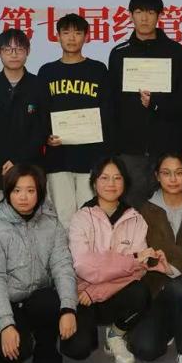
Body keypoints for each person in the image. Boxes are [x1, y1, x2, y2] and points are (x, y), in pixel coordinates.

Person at [0, 163, 79, 363]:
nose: (23, 197)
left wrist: (68, 308)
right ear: (8, 192)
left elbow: (63, 266)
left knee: (50, 299)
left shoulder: (51, 223)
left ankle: (46, 351)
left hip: (37, 297)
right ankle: (5, 342)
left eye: (30, 190)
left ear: (40, 192)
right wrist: (6, 324)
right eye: (17, 190)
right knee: (17, 353)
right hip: (7, 301)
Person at [62, 156, 160, 363]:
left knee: (141, 293)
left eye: (117, 178)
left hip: (103, 294)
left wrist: (97, 290)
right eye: (104, 178)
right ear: (94, 182)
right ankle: (88, 332)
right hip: (83, 296)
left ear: (125, 183)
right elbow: (83, 266)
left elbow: (140, 269)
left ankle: (115, 334)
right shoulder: (81, 218)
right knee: (78, 349)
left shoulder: (136, 219)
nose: (111, 184)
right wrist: (131, 259)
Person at [128, 151, 182, 363]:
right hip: (156, 287)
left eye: (179, 173)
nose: (173, 179)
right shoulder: (145, 209)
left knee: (177, 285)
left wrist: (172, 269)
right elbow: (152, 245)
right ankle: (170, 327)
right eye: (166, 173)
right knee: (145, 349)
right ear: (157, 176)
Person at [107, 0, 182, 203]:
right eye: (139, 12)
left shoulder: (176, 53)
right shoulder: (119, 53)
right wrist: (114, 147)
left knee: (167, 210)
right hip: (129, 151)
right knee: (130, 211)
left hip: (167, 149)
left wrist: (156, 103)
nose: (144, 18)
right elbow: (112, 104)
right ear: (130, 15)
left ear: (159, 15)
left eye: (150, 12)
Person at [40, 13, 114, 225]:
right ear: (57, 36)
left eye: (78, 33)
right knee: (62, 217)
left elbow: (107, 111)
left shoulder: (98, 70)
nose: (72, 38)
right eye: (66, 33)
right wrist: (46, 136)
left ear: (86, 37)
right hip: (58, 158)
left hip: (90, 157)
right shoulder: (47, 72)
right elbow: (41, 112)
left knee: (90, 216)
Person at [0, 28, 50, 213]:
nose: (14, 54)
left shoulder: (39, 86)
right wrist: (2, 163)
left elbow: (43, 129)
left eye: (19, 49)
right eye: (8, 49)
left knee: (31, 222)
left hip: (30, 169)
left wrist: (17, 161)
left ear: (28, 51)